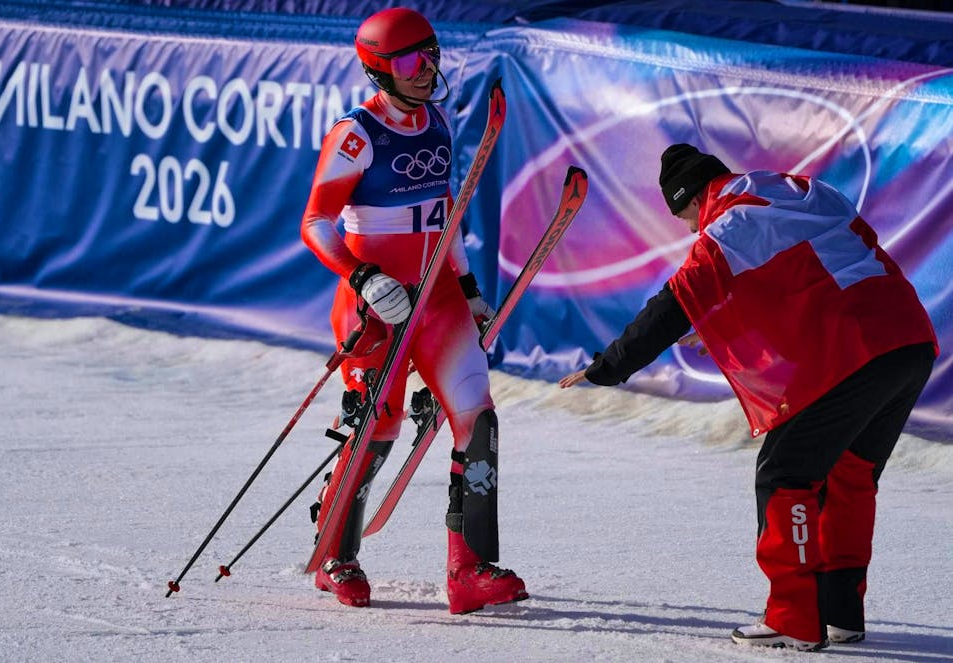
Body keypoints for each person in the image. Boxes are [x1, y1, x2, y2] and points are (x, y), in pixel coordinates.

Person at [559, 143, 938, 650]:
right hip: (907, 339)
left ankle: (794, 618)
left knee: (785, 474)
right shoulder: (798, 190)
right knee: (849, 473)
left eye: (687, 221)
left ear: (691, 201)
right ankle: (840, 613)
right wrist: (718, 321)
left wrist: (607, 368)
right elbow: (818, 266)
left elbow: (669, 306)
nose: (693, 231)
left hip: (854, 350)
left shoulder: (728, 224)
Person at [299, 7, 528, 613]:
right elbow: (316, 222)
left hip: (439, 297)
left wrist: (470, 285)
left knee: (478, 419)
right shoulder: (356, 134)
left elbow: (444, 214)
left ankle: (470, 569)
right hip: (377, 306)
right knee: (377, 427)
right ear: (380, 70)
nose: (426, 69)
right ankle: (336, 557)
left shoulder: (437, 121)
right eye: (408, 61)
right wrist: (364, 277)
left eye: (431, 54)